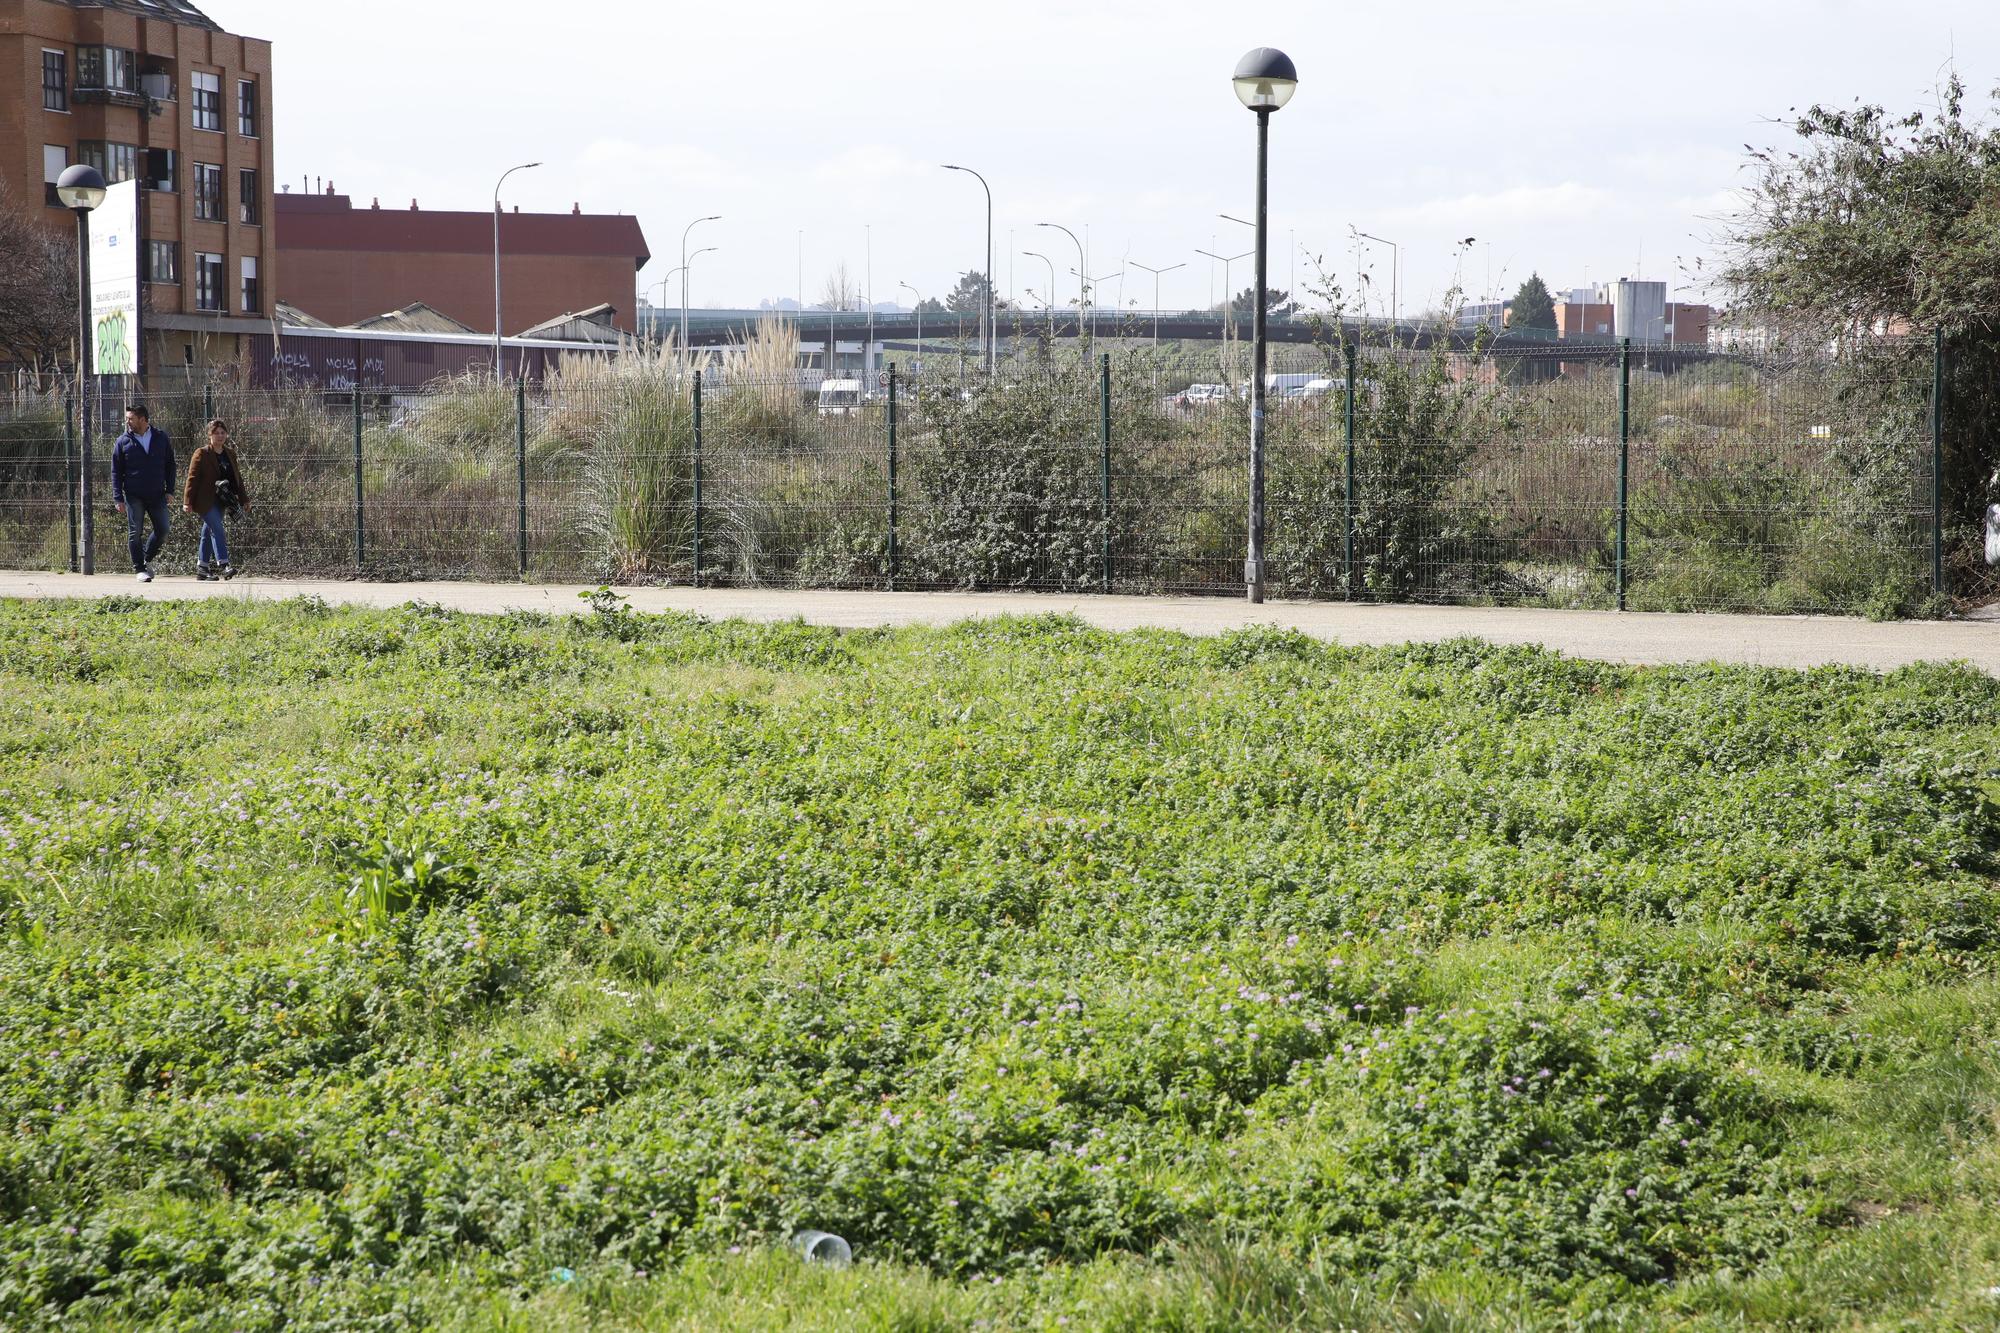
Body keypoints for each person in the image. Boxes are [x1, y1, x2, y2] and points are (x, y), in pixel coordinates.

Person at [111, 403, 175, 583]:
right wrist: (118, 497)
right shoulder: (122, 441)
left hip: (157, 494)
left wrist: (170, 489)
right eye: (127, 418)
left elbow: (170, 465)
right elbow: (116, 471)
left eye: (130, 418)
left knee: (163, 530)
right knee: (135, 532)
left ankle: (146, 559)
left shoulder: (161, 437)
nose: (127, 421)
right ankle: (139, 568)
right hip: (133, 495)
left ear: (142, 419)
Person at [183, 419, 250, 580]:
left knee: (208, 531)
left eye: (222, 433)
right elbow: (192, 478)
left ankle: (202, 568)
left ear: (226, 434)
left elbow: (237, 478)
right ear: (209, 435)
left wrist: (244, 499)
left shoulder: (230, 453)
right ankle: (224, 564)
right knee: (217, 528)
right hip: (204, 500)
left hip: (223, 500)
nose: (220, 436)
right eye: (216, 433)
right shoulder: (202, 453)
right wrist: (187, 501)